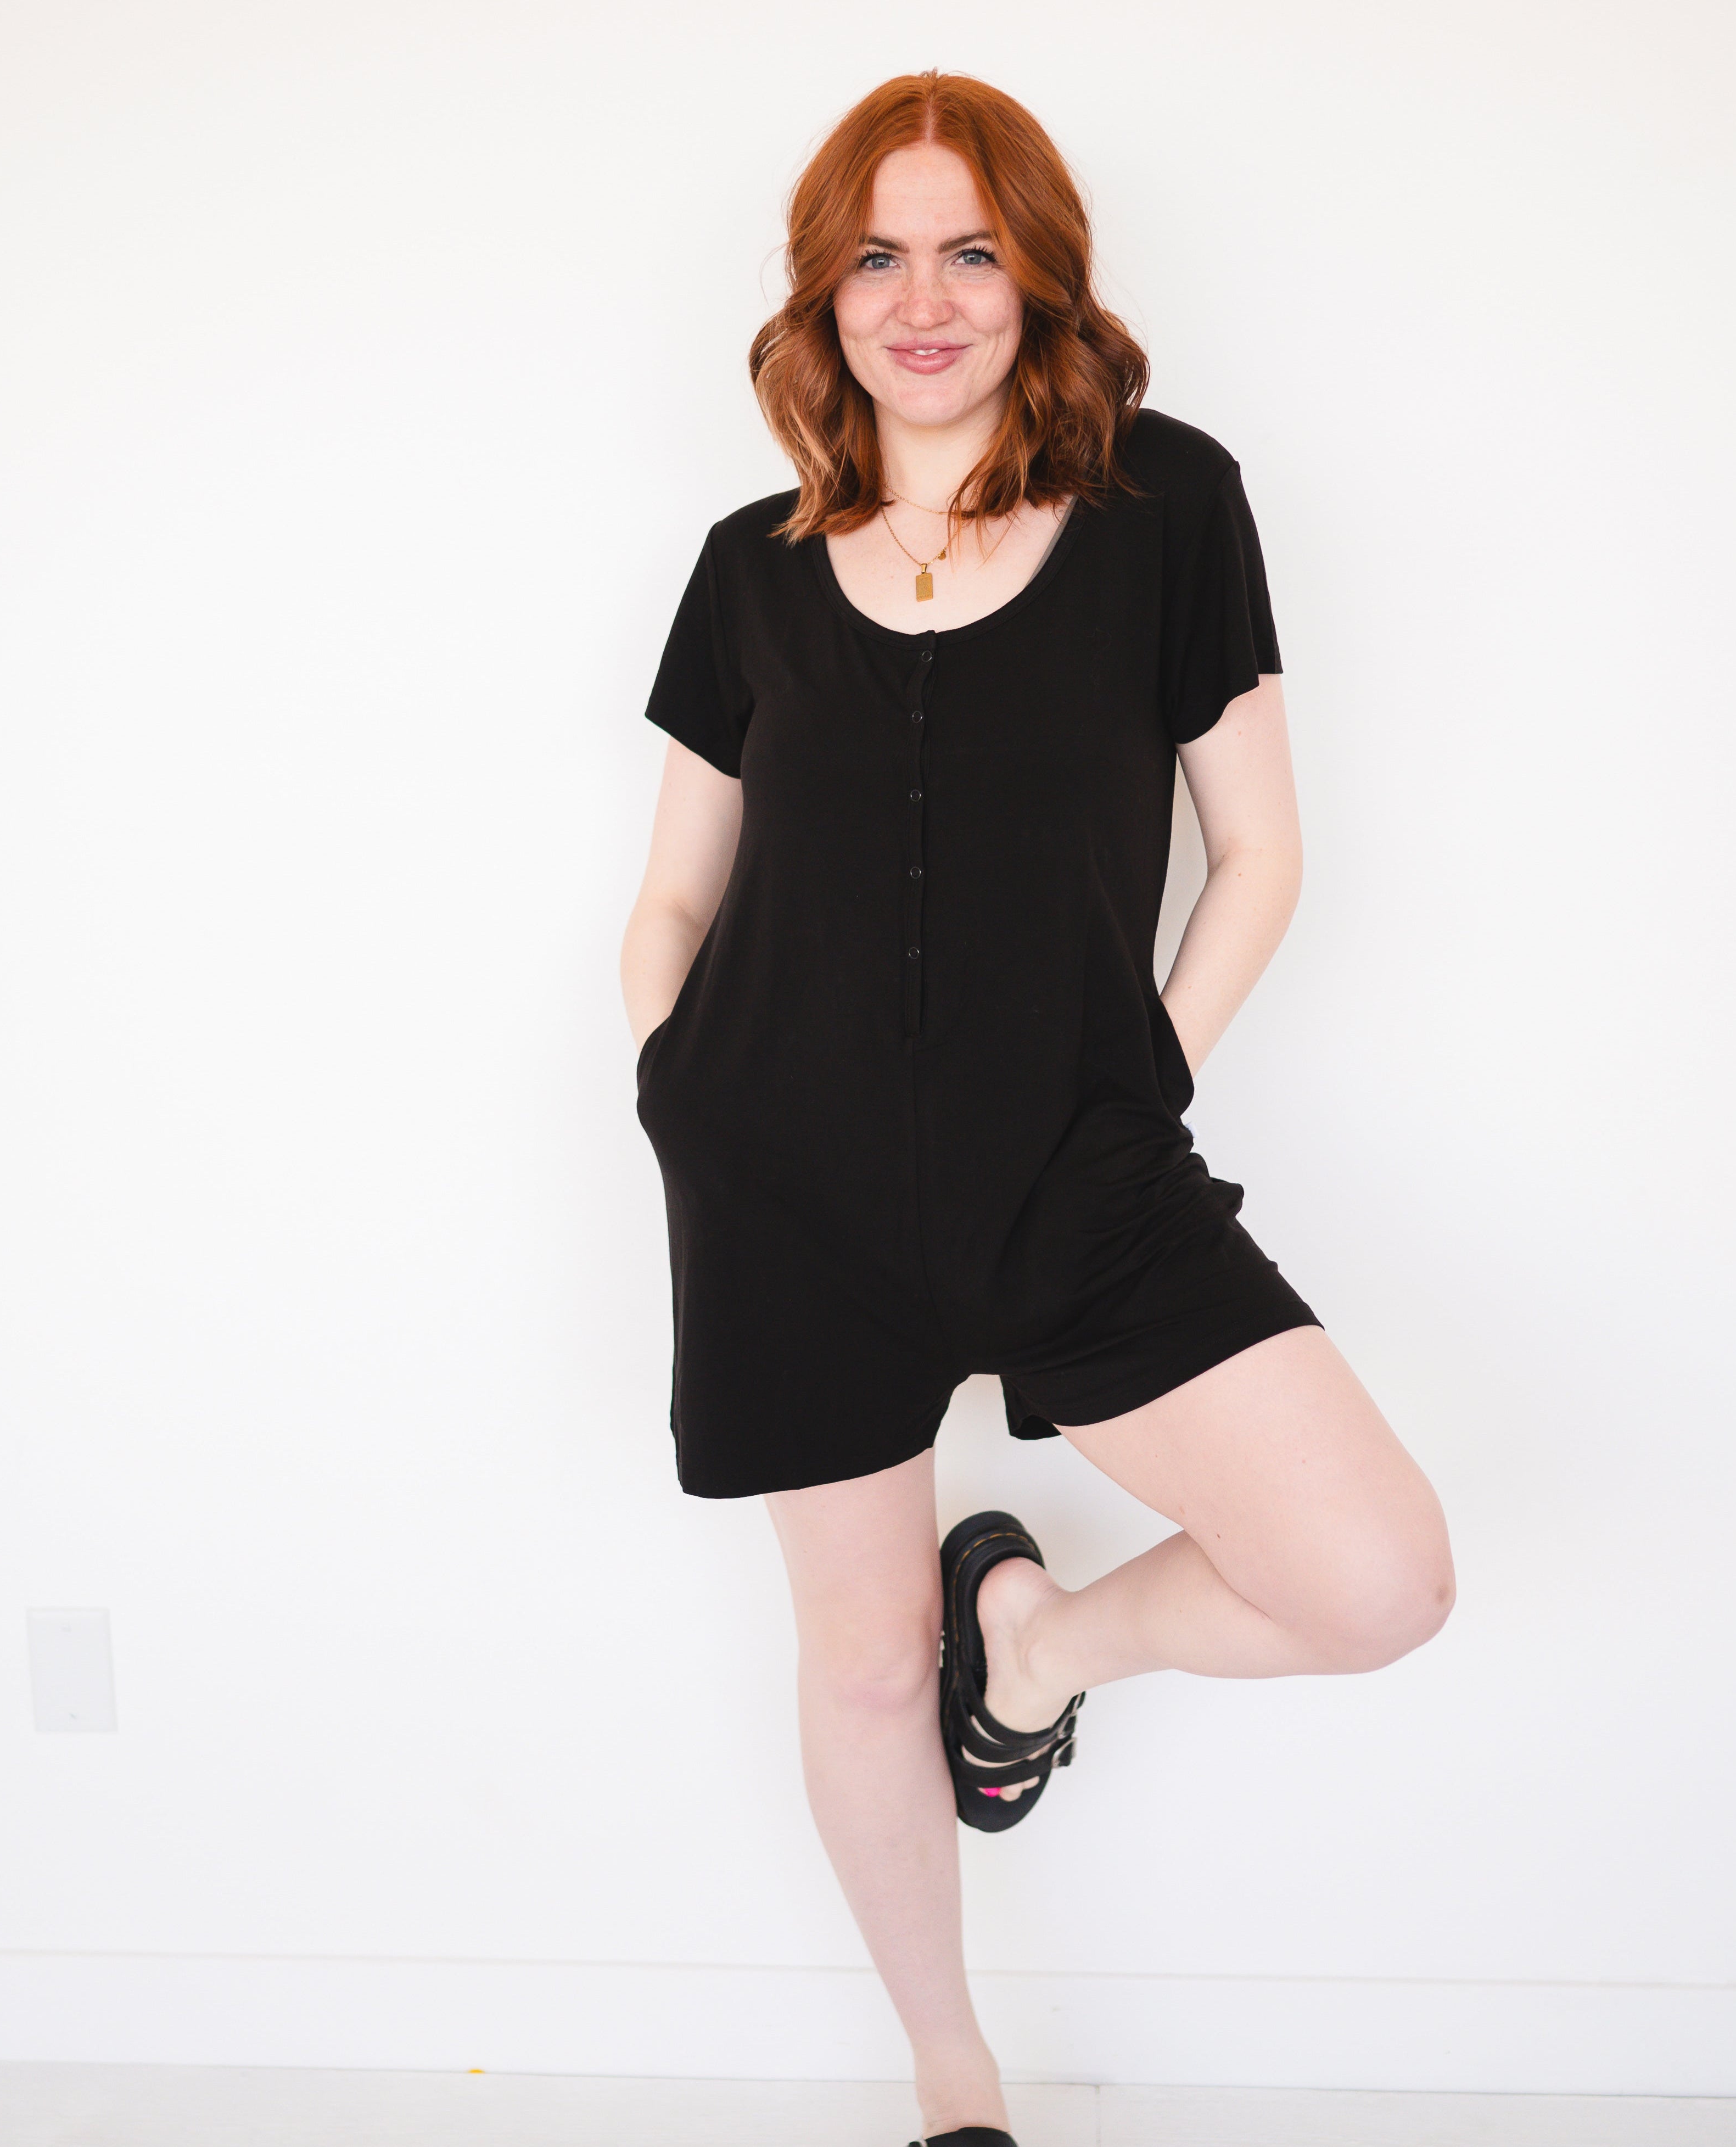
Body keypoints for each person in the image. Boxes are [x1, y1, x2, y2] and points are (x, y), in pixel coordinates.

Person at [620, 70, 1454, 2147]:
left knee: (1376, 1577)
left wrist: (1136, 1085)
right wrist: (677, 1087)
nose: (924, 302)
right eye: (877, 259)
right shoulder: (748, 571)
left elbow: (1259, 854)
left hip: (1079, 1176)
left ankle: (1043, 1649)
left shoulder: (1168, 506)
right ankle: (955, 2081)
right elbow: (673, 897)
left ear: (1041, 276)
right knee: (860, 1662)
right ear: (822, 299)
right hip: (788, 1189)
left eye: (972, 252)